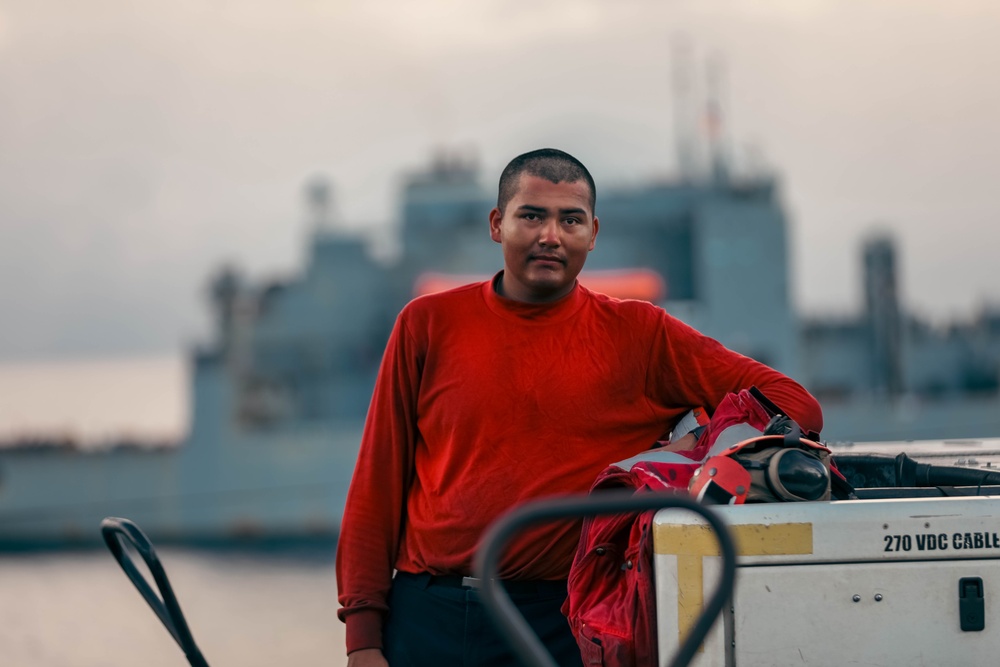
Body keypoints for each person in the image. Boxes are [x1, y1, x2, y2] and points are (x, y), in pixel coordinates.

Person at [336, 148, 822, 666]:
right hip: (430, 616)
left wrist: (683, 455)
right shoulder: (427, 324)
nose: (551, 235)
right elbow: (376, 483)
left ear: (593, 233)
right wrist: (363, 638)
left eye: (570, 219)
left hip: (563, 620)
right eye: (532, 216)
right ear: (498, 224)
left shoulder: (641, 334)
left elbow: (796, 407)